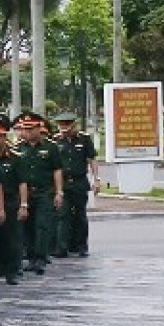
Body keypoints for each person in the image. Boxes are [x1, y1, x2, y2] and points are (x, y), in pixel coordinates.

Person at [13, 112, 63, 273]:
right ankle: (31, 257)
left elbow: (57, 170)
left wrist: (59, 192)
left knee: (42, 225)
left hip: (44, 192)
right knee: (27, 226)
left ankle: (41, 258)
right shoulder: (18, 148)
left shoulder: (50, 147)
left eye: (31, 128)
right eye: (25, 129)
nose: (27, 132)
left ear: (39, 128)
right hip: (25, 194)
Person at [0, 115, 25, 285]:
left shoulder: (15, 157)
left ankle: (12, 271)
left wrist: (23, 204)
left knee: (12, 238)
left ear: (5, 136)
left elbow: (22, 183)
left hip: (9, 200)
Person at [54, 110, 99, 257]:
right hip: (63, 183)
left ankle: (81, 246)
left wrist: (96, 179)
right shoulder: (56, 141)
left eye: (68, 126)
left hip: (79, 181)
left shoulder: (84, 139)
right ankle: (62, 247)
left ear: (74, 126)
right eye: (62, 126)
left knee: (80, 215)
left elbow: (92, 159)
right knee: (63, 215)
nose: (65, 130)